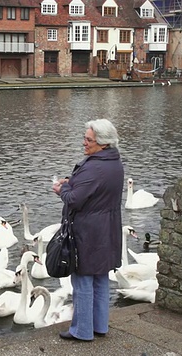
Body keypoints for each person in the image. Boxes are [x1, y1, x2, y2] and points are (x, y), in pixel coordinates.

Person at [52, 119, 124, 341]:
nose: (84, 143)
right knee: (101, 278)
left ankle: (81, 331)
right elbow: (93, 189)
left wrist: (62, 188)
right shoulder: (114, 162)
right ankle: (99, 326)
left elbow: (74, 200)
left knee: (82, 279)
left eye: (89, 140)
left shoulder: (95, 166)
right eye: (85, 137)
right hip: (107, 229)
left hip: (88, 232)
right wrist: (72, 180)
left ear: (102, 143)